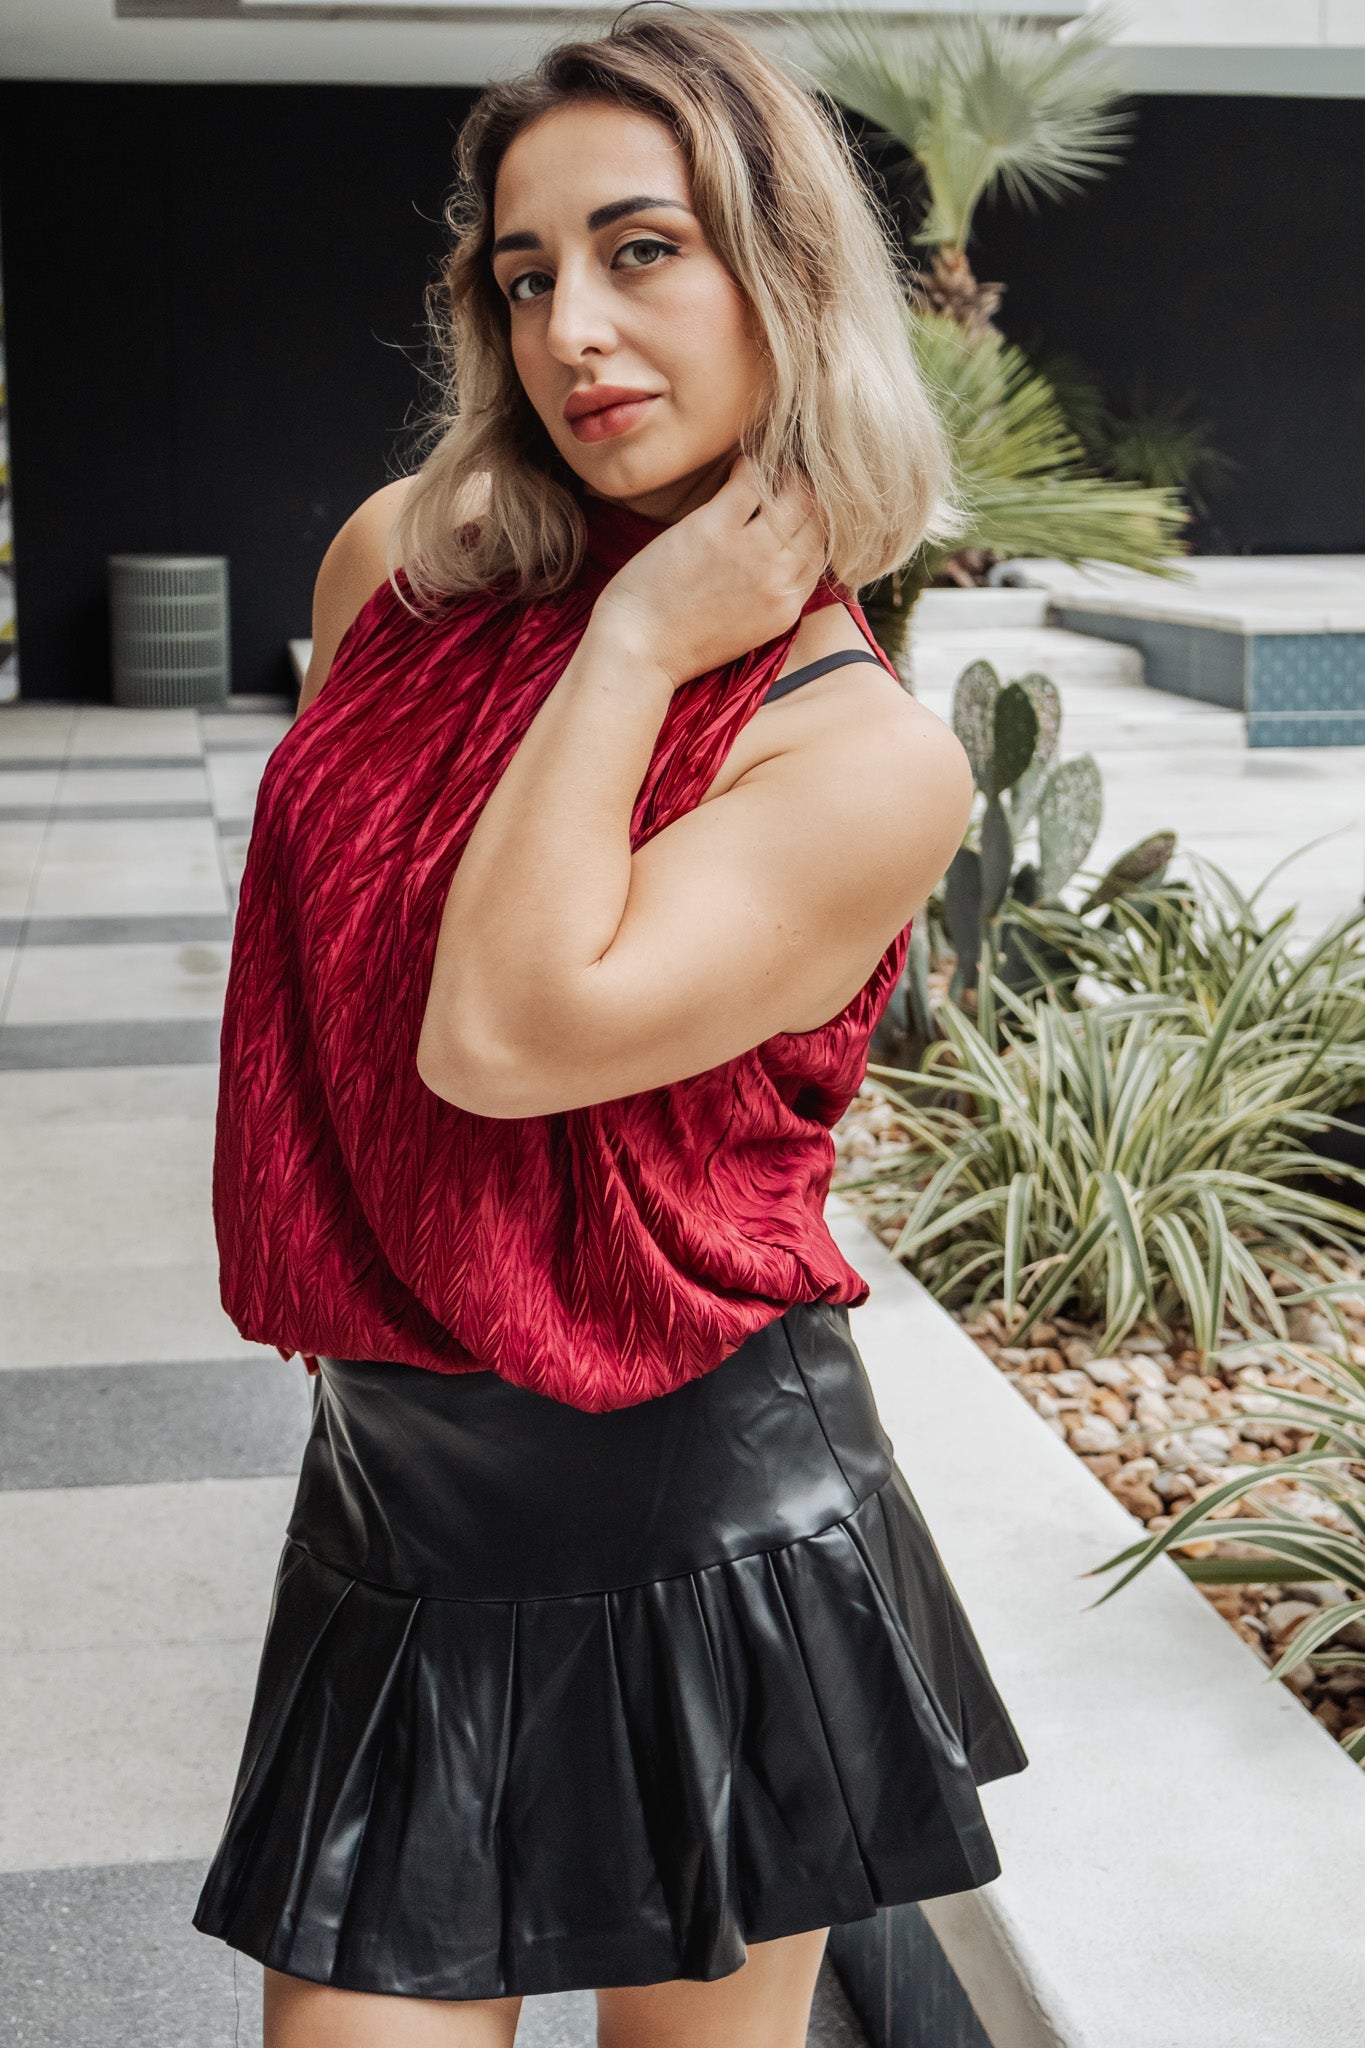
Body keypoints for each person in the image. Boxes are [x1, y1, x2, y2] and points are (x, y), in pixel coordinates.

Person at [193, 10, 1028, 2044]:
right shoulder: (401, 559)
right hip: (398, 1481)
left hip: (697, 1517)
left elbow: (499, 1030)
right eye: (525, 269)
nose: (574, 324)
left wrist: (640, 641)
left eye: (642, 249)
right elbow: (347, 954)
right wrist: (592, 622)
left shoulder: (859, 756)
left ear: (782, 274)